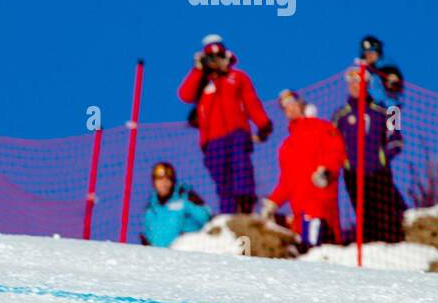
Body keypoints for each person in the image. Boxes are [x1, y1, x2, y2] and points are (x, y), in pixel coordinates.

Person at [177, 35, 273, 214]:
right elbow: (185, 95)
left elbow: (251, 102)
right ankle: (228, 215)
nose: (215, 62)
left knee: (242, 169)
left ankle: (245, 207)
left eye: (218, 57)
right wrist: (198, 70)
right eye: (210, 58)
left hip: (237, 133)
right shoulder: (202, 81)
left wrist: (263, 124)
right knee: (223, 180)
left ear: (226, 57)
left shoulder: (237, 77)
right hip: (212, 140)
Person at [259, 90, 346, 249]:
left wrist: (325, 170)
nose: (290, 109)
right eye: (285, 107)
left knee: (316, 253)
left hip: (320, 208)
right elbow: (286, 182)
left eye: (292, 104)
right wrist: (273, 202)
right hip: (299, 215)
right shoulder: (286, 146)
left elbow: (336, 152)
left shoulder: (322, 127)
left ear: (301, 104)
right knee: (304, 258)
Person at [333, 65, 407, 243]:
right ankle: (366, 253)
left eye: (358, 81)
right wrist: (344, 162)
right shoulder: (340, 116)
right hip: (353, 174)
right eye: (350, 82)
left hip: (378, 172)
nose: (354, 85)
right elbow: (331, 145)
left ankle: (394, 247)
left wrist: (382, 159)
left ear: (366, 84)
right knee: (363, 217)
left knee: (385, 215)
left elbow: (396, 140)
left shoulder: (385, 111)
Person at [141, 162, 212, 247]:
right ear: (154, 182)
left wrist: (195, 203)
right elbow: (150, 234)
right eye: (160, 179)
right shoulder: (151, 209)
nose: (164, 183)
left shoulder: (184, 199)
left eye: (168, 179)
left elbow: (207, 219)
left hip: (184, 253)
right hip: (160, 257)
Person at [358, 35, 406, 112]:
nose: (368, 55)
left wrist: (392, 82)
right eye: (365, 53)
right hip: (372, 109)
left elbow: (395, 84)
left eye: (371, 52)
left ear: (378, 52)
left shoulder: (387, 66)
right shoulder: (366, 70)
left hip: (388, 108)